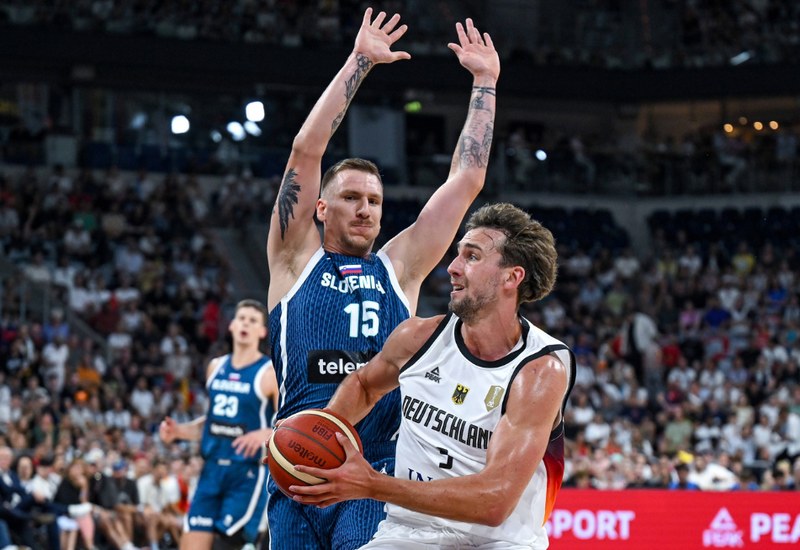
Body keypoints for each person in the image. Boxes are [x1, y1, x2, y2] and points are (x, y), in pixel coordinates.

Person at [266, 10, 499, 550]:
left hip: (375, 473)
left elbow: (466, 179)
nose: (365, 208)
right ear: (320, 208)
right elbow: (306, 151)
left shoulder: (401, 267)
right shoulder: (293, 259)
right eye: (350, 197)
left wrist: (485, 83)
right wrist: (359, 61)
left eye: (374, 200)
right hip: (298, 466)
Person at [289, 204, 575, 549]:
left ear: (511, 278)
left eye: (472, 257)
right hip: (409, 531)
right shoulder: (418, 338)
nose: (452, 267)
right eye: (458, 254)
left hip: (498, 541)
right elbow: (363, 384)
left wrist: (372, 484)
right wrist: (316, 434)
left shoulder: (539, 371)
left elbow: (495, 500)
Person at [159, 300, 278, 550]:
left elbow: (290, 423)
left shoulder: (270, 373)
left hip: (246, 472)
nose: (245, 324)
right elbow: (212, 422)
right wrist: (179, 431)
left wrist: (267, 433)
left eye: (253, 321)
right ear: (232, 325)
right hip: (211, 470)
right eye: (241, 318)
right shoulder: (215, 367)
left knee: (227, 545)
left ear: (262, 332)